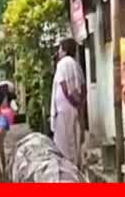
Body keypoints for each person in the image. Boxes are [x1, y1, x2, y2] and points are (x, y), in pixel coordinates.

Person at [50, 37, 86, 167]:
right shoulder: (76, 64)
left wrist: (71, 101)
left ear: (64, 50)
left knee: (63, 143)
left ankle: (67, 169)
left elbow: (64, 85)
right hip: (73, 108)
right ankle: (75, 166)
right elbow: (83, 87)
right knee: (74, 140)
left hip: (64, 108)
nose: (58, 52)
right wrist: (79, 104)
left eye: (60, 48)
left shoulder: (62, 64)